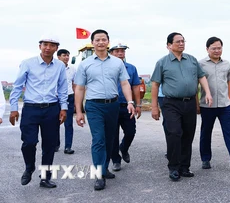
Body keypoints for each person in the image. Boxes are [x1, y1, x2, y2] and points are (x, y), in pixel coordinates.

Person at [74, 29, 136, 191]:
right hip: (94, 106)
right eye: (97, 40)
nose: (101, 42)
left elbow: (124, 84)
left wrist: (130, 101)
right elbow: (80, 88)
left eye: (103, 39)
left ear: (107, 42)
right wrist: (79, 111)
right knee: (99, 139)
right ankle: (99, 174)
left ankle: (104, 167)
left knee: (109, 139)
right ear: (93, 42)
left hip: (113, 105)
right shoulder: (85, 64)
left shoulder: (117, 63)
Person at [150, 32, 213, 181]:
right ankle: (173, 167)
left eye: (183, 41)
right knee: (174, 133)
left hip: (189, 102)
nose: (181, 44)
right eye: (177, 41)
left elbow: (201, 76)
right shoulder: (162, 62)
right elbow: (155, 84)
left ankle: (185, 167)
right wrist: (154, 107)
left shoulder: (191, 60)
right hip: (171, 103)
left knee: (188, 134)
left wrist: (208, 93)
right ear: (169, 45)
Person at [9, 34, 68, 188]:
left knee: (49, 145)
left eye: (51, 45)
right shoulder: (28, 63)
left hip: (51, 109)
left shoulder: (60, 66)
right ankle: (29, 167)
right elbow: (17, 86)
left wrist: (63, 108)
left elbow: (62, 88)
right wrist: (14, 109)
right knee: (29, 142)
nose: (48, 48)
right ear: (39, 46)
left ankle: (45, 177)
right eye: (45, 44)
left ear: (56, 48)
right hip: (31, 109)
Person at [199, 37, 230, 171]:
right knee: (206, 132)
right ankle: (205, 159)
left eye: (219, 48)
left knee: (229, 132)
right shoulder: (200, 64)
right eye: (214, 48)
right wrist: (197, 102)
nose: (217, 50)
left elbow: (229, 82)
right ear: (207, 49)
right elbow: (197, 83)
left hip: (225, 105)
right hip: (207, 105)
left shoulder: (226, 64)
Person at [109, 40, 142, 172]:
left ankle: (124, 148)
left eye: (122, 51)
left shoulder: (131, 68)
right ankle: (116, 160)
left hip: (127, 106)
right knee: (112, 135)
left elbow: (135, 86)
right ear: (111, 53)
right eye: (117, 51)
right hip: (111, 106)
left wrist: (138, 104)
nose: (120, 53)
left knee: (130, 132)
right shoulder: (107, 67)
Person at [56, 49, 76, 154]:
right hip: (55, 98)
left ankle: (68, 146)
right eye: (64, 55)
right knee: (54, 123)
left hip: (69, 97)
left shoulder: (72, 69)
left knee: (68, 123)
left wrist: (77, 101)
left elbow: (75, 84)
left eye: (68, 55)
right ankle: (55, 144)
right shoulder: (53, 68)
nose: (67, 57)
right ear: (58, 56)